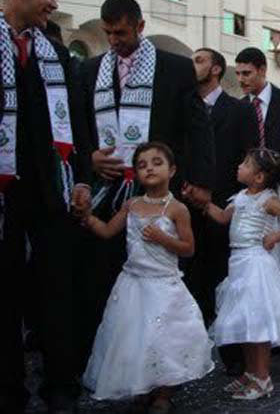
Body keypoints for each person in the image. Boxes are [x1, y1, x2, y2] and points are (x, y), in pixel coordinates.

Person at [77, 0, 215, 374]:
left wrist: (201, 181)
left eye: (120, 32)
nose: (114, 41)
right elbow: (77, 126)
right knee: (104, 275)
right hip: (107, 187)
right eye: (107, 33)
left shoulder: (175, 68)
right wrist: (89, 155)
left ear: (140, 26)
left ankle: (161, 365)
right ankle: (114, 359)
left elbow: (197, 128)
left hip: (156, 188)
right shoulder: (89, 71)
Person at [0, 0, 94, 412]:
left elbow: (77, 122)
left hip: (51, 189)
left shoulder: (55, 55)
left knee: (58, 290)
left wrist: (80, 179)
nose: (54, 2)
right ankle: (9, 388)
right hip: (3, 194)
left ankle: (61, 385)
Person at [81, 142, 214, 412]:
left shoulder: (177, 209)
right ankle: (142, 385)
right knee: (136, 338)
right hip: (133, 283)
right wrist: (87, 217)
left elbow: (188, 249)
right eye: (142, 165)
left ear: (172, 170)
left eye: (156, 163)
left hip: (164, 283)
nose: (149, 168)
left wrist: (163, 238)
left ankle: (163, 392)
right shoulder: (131, 205)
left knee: (163, 339)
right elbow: (107, 231)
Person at [205, 148, 280, 400]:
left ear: (259, 177)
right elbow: (222, 218)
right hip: (238, 263)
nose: (239, 166)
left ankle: (262, 377)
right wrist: (203, 202)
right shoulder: (240, 197)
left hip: (256, 265)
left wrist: (274, 236)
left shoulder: (268, 201)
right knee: (246, 322)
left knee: (258, 323)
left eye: (245, 164)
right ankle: (250, 373)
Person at [186, 47, 259, 376]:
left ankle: (234, 359)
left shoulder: (239, 110)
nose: (193, 65)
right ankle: (187, 356)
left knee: (226, 283)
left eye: (199, 60)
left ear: (216, 69)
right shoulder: (184, 103)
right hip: (184, 209)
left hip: (225, 210)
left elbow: (250, 157)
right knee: (189, 282)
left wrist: (220, 196)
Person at [236, 47, 280, 163]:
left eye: (246, 73)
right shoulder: (237, 107)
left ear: (262, 70)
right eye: (238, 74)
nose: (240, 79)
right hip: (247, 178)